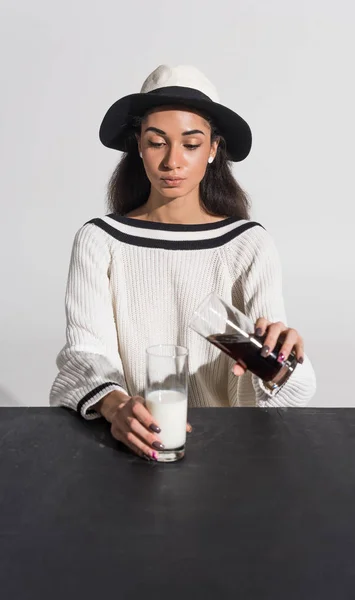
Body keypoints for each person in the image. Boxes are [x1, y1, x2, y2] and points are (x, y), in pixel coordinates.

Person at [50, 64, 317, 461]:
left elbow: (284, 388)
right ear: (138, 146)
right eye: (157, 142)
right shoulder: (102, 240)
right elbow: (86, 354)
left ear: (213, 149)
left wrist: (282, 359)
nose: (172, 161)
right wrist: (115, 406)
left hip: (230, 455)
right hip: (129, 446)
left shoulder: (246, 244)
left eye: (191, 144)